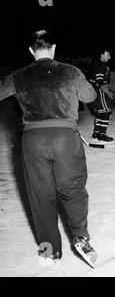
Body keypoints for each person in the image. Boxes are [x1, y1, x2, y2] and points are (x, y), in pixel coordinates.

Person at [0, 30, 97, 265]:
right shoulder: (70, 71)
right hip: (65, 136)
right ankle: (81, 238)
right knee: (72, 189)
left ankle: (49, 251)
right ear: (53, 48)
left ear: (31, 51)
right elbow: (91, 96)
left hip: (33, 140)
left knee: (40, 196)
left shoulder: (19, 75)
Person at [89, 48, 115, 143]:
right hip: (100, 92)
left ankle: (96, 133)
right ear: (101, 55)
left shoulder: (97, 64)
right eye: (107, 55)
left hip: (95, 91)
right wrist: (109, 93)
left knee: (100, 112)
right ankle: (102, 135)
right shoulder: (101, 65)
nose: (109, 57)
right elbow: (99, 81)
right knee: (106, 112)